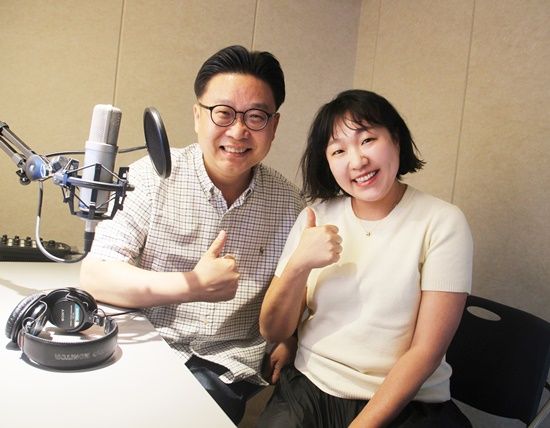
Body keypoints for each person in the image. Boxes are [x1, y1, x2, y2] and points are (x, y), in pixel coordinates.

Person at [79, 45, 305, 425]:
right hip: (142, 348)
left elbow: (295, 294)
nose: (238, 131)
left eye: (256, 117)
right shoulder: (151, 176)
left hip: (224, 367)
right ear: (198, 115)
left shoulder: (290, 204)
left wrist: (288, 336)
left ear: (274, 126)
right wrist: (193, 285)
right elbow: (96, 275)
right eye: (223, 112)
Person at [258, 89, 474, 427]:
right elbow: (273, 329)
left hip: (406, 399)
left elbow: (426, 351)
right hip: (313, 385)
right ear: (327, 163)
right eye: (338, 150)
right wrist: (300, 263)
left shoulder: (442, 222)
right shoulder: (316, 217)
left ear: (396, 139)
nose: (357, 161)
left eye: (368, 140)